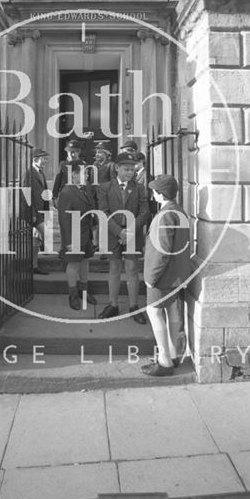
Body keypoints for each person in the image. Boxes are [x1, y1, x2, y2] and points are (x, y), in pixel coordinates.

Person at [141, 174, 191, 377]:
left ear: (160, 194)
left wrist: (151, 277)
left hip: (163, 276)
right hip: (177, 275)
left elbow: (162, 250)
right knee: (172, 313)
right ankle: (173, 355)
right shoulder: (179, 211)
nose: (152, 194)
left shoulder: (165, 215)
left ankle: (164, 361)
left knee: (154, 313)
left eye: (154, 191)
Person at [97, 152, 150, 324]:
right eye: (126, 169)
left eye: (132, 170)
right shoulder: (105, 187)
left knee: (132, 268)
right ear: (117, 168)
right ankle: (113, 304)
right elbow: (103, 213)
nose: (130, 173)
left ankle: (134, 306)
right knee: (114, 268)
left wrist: (130, 231)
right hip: (113, 235)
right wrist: (119, 232)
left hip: (132, 234)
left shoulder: (139, 188)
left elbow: (144, 212)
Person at [58, 159, 97, 310]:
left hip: (86, 234)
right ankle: (73, 295)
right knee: (73, 264)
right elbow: (64, 219)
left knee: (85, 262)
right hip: (74, 235)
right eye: (84, 172)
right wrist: (69, 241)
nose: (87, 175)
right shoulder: (67, 192)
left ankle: (84, 291)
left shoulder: (84, 189)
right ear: (74, 174)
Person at [23, 147, 50, 275]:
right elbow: (26, 195)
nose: (45, 161)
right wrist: (32, 214)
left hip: (41, 211)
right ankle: (64, 253)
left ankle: (33, 266)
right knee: (47, 234)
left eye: (45, 158)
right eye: (43, 159)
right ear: (35, 159)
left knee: (36, 239)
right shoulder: (29, 173)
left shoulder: (41, 172)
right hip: (34, 212)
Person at [52, 139, 84, 208]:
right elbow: (58, 181)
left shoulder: (83, 165)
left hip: (78, 197)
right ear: (67, 152)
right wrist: (54, 197)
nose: (72, 154)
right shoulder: (63, 164)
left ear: (79, 152)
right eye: (70, 152)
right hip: (65, 195)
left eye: (74, 152)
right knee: (64, 217)